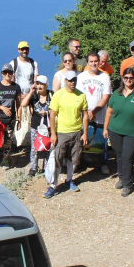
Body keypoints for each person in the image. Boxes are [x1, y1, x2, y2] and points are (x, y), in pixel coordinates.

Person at [104, 67, 134, 197]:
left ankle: (127, 184)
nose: (128, 80)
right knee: (119, 155)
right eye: (126, 78)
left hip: (133, 132)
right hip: (115, 130)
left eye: (131, 78)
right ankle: (122, 178)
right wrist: (106, 128)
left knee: (127, 157)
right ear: (122, 79)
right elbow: (109, 112)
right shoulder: (116, 94)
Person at [44, 70, 88, 198]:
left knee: (73, 158)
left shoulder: (81, 96)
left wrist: (84, 133)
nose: (73, 82)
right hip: (62, 132)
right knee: (58, 158)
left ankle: (69, 180)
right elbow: (52, 115)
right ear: (65, 81)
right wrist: (53, 133)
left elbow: (85, 115)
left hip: (77, 132)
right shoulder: (58, 95)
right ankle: (53, 186)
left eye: (74, 80)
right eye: (70, 80)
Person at [76, 53, 113, 174]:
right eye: (91, 61)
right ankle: (79, 162)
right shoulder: (81, 77)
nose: (93, 64)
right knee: (82, 137)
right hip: (84, 112)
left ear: (99, 62)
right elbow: (78, 96)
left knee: (101, 139)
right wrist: (86, 112)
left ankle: (103, 163)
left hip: (100, 114)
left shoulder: (105, 77)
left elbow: (106, 96)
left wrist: (95, 111)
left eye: (96, 61)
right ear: (87, 63)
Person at [0, 63, 22, 168]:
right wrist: (2, 107)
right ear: (2, 73)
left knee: (8, 140)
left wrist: (19, 119)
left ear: (12, 74)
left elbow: (19, 105)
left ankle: (5, 159)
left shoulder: (16, 87)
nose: (8, 74)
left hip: (10, 119)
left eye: (10, 72)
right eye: (5, 72)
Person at [25, 75, 53, 176]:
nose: (39, 86)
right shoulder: (34, 95)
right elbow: (24, 104)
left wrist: (48, 112)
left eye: (42, 84)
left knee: (47, 146)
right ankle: (33, 168)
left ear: (46, 85)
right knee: (34, 147)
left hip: (48, 125)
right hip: (35, 125)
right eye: (38, 84)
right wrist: (31, 92)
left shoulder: (51, 94)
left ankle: (46, 167)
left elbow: (56, 108)